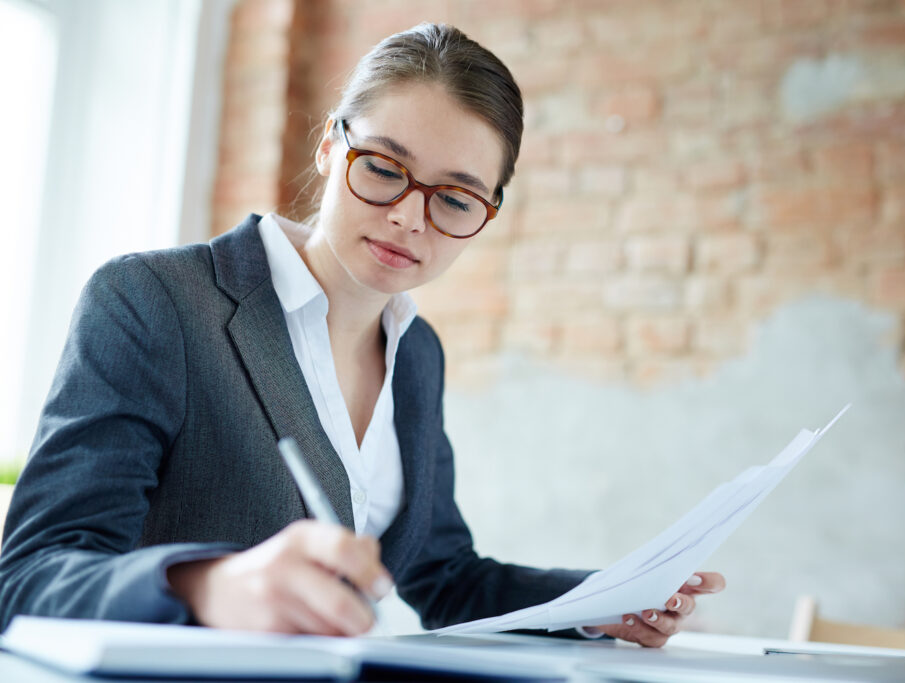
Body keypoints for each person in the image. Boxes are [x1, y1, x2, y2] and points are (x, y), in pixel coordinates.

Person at [0, 23, 723, 647]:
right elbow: (28, 576)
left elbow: (440, 578)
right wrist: (208, 584)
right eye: (383, 167)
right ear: (328, 148)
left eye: (456, 197)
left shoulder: (417, 355)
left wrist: (602, 600)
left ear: (488, 212)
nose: (411, 216)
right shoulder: (156, 303)